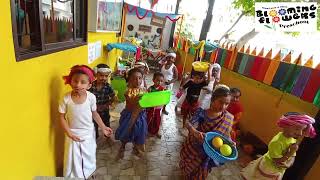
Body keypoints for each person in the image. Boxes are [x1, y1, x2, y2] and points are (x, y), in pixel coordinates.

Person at [59, 65, 112, 178]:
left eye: (83, 82)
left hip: (88, 133)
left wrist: (103, 127)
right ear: (70, 82)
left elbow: (94, 113)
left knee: (88, 155)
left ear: (89, 85)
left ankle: (88, 173)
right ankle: (74, 176)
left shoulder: (91, 97)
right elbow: (61, 117)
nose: (78, 85)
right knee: (73, 158)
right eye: (75, 81)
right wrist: (69, 133)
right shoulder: (66, 98)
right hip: (72, 133)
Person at [179, 85, 234, 179]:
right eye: (221, 102)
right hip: (194, 149)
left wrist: (230, 142)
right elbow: (189, 124)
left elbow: (227, 134)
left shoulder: (229, 118)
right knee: (188, 170)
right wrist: (195, 132)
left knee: (201, 172)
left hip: (209, 153)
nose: (223, 106)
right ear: (213, 99)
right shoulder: (202, 112)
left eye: (227, 104)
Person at [240, 112, 316, 180]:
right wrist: (290, 152)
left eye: (302, 130)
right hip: (268, 169)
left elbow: (293, 156)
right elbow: (276, 161)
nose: (300, 133)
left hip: (277, 170)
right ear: (285, 125)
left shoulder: (292, 139)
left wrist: (289, 163)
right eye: (297, 129)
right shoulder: (277, 142)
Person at [115, 68, 148, 159]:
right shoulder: (128, 91)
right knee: (127, 131)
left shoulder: (144, 90)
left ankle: (136, 147)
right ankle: (122, 146)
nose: (137, 81)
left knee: (139, 132)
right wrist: (140, 99)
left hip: (141, 116)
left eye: (140, 78)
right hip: (129, 116)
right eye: (134, 78)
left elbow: (147, 103)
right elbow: (132, 102)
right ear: (129, 79)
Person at [89, 64, 115, 140]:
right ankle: (95, 136)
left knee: (106, 122)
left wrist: (108, 104)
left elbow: (113, 96)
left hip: (104, 110)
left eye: (106, 76)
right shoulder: (91, 86)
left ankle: (107, 135)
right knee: (94, 124)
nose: (104, 78)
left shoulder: (108, 86)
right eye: (101, 75)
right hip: (94, 111)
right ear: (96, 74)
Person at [146, 72, 166, 138]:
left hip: (158, 109)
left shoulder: (162, 89)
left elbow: (164, 99)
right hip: (150, 108)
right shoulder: (150, 89)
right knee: (149, 120)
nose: (159, 82)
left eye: (161, 81)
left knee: (157, 121)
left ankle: (156, 132)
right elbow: (146, 98)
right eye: (157, 80)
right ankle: (148, 131)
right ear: (153, 80)